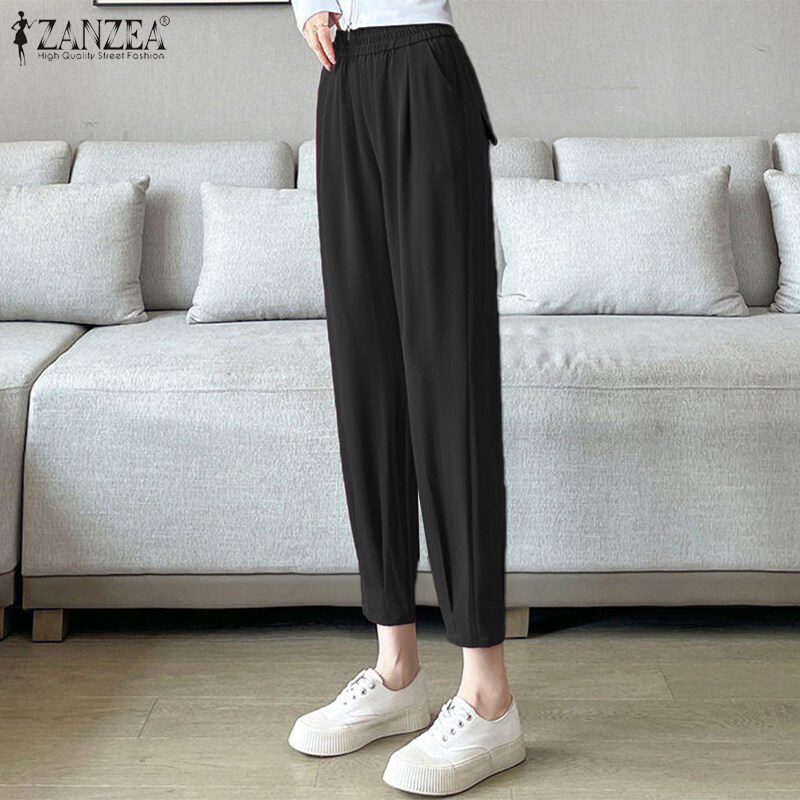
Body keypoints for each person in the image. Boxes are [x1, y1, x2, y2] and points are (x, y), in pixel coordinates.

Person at [287, 1, 526, 794]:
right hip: (342, 78)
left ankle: (488, 695)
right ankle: (397, 671)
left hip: (423, 63)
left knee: (448, 377)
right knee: (367, 373)